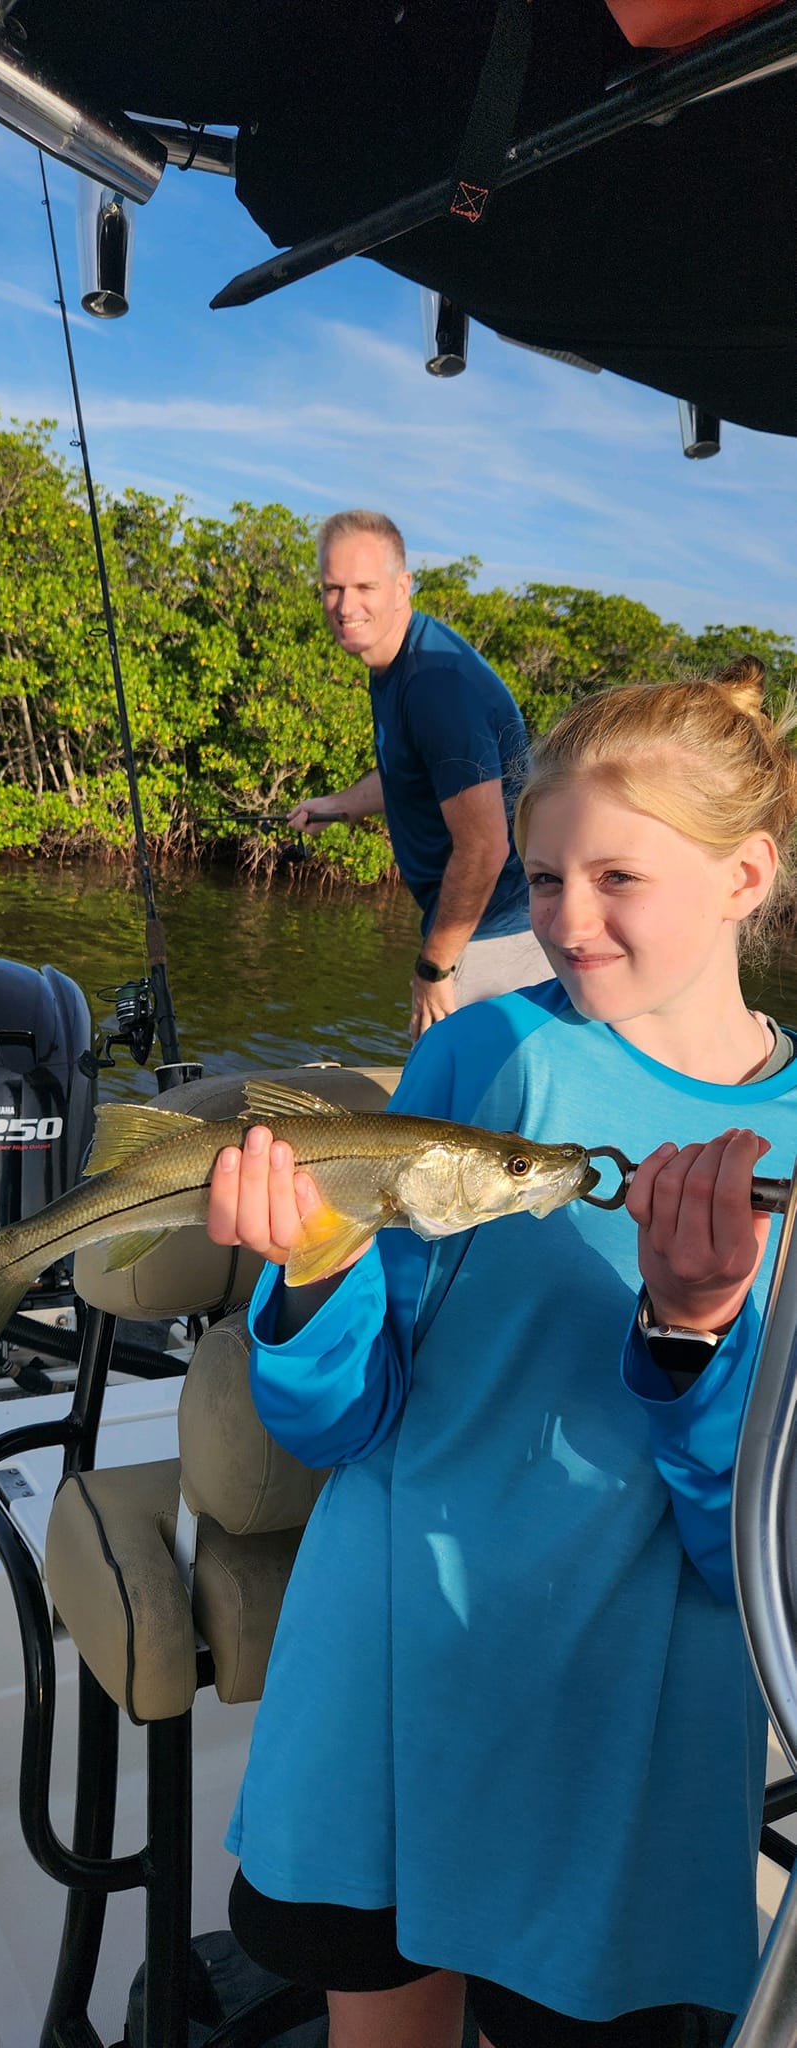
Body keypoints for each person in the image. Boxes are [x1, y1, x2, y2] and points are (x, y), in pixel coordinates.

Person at [207, 659, 797, 2048]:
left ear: (745, 875)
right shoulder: (479, 1053)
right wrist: (312, 1267)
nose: (564, 922)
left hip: (624, 1713)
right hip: (388, 1655)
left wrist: (693, 1329)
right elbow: (344, 1418)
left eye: (616, 877)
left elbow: (749, 1549)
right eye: (539, 879)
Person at [289, 509, 545, 1039]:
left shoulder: (435, 683)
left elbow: (484, 849)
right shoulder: (397, 660)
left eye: (365, 587)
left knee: (448, 1083)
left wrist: (434, 967)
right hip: (484, 929)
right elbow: (414, 774)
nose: (345, 606)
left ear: (402, 586)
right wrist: (338, 806)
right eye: (333, 588)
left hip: (498, 933)